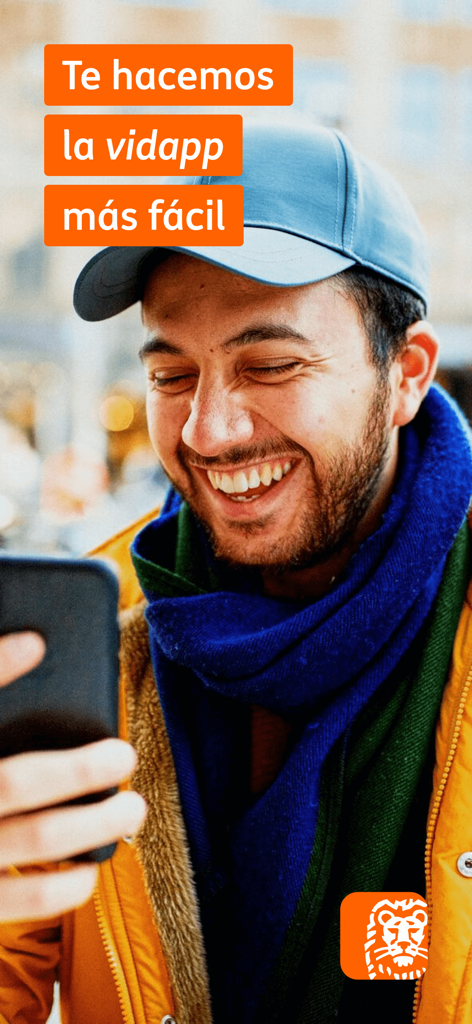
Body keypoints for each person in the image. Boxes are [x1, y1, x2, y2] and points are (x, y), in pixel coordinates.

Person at [0, 120, 472, 1024]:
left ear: (406, 375)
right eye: (172, 375)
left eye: (271, 364)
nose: (208, 432)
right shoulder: (92, 640)